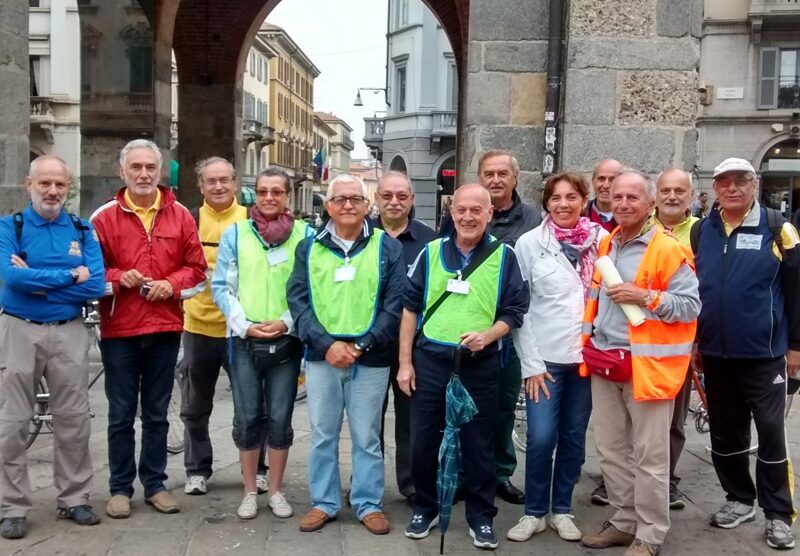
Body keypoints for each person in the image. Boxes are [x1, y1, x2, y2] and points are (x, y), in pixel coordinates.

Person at [399, 183, 530, 550]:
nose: (468, 217)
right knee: (424, 440)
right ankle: (426, 507)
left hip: (480, 363)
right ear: (451, 212)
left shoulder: (505, 256)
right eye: (461, 210)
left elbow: (515, 311)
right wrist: (405, 363)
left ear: (490, 213)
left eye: (477, 210)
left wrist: (489, 335)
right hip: (430, 362)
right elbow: (410, 309)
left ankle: (480, 515)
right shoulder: (430, 253)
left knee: (479, 444)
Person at [580, 170, 700, 556]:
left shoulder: (668, 249)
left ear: (650, 205)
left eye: (633, 198)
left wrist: (645, 297)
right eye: (617, 198)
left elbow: (691, 306)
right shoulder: (609, 244)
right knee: (611, 450)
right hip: (607, 362)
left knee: (650, 456)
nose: (624, 204)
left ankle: (650, 534)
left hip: (648, 368)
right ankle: (623, 521)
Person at [91, 139, 207, 519]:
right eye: (136, 167)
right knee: (121, 413)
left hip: (165, 326)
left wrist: (171, 284)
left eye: (150, 168)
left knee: (157, 413)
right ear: (121, 171)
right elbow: (91, 275)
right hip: (119, 329)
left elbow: (196, 268)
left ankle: (155, 484)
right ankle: (120, 488)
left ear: (160, 172)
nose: (143, 174)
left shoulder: (180, 216)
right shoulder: (103, 217)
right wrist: (118, 277)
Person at [287, 174, 405, 535]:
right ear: (328, 206)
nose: (348, 205)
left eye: (355, 199)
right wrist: (327, 345)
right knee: (322, 433)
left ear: (367, 205)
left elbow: (395, 302)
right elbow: (298, 301)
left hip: (369, 357)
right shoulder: (309, 247)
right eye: (340, 200)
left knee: (367, 435)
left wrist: (361, 344)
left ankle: (367, 503)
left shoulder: (386, 246)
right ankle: (324, 502)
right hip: (324, 356)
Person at [694, 157, 800, 550]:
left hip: (765, 354)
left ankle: (778, 515)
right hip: (716, 355)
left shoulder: (778, 227)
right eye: (724, 182)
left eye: (741, 180)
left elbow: (797, 292)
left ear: (754, 185)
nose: (732, 188)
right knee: (726, 432)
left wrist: (795, 348)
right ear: (716, 187)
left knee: (771, 434)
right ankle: (739, 499)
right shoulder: (702, 230)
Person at [0, 155, 106, 540]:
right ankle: (12, 506)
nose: (52, 191)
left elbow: (95, 285)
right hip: (18, 329)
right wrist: (66, 276)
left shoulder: (81, 229)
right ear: (29, 185)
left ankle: (74, 498)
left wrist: (35, 278)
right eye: (44, 183)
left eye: (59, 184)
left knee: (74, 420)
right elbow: (10, 279)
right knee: (11, 423)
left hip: (69, 330)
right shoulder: (8, 226)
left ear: (68, 187)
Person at [506, 172, 606, 543]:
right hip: (544, 362)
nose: (563, 204)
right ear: (546, 203)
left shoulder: (603, 242)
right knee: (542, 436)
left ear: (584, 200)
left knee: (574, 438)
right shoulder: (530, 244)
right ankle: (534, 512)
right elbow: (521, 309)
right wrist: (530, 365)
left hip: (586, 360)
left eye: (571, 197)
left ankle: (561, 509)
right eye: (555, 198)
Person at [441, 149, 541, 505]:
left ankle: (499, 473)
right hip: (464, 328)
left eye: (503, 173)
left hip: (507, 330)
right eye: (489, 173)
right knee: (461, 406)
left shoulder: (532, 219)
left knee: (500, 407)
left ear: (515, 179)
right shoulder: (460, 215)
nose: (496, 179)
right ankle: (464, 475)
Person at [212, 167, 312, 520]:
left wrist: (286, 321)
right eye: (264, 191)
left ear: (287, 196)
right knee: (248, 415)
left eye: (277, 192)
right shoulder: (235, 234)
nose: (270, 197)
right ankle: (250, 490)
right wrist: (246, 326)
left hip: (288, 337)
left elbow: (311, 286)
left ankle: (276, 490)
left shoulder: (306, 234)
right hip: (244, 339)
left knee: (281, 416)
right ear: (257, 194)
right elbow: (221, 286)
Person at [180, 157, 252, 496]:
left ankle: (257, 469)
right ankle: (197, 469)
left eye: (224, 180)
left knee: (252, 404)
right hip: (198, 324)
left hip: (241, 328)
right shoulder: (188, 220)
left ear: (235, 183)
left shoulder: (251, 219)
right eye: (211, 181)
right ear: (201, 186)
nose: (219, 186)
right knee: (195, 406)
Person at [372, 170, 436, 504]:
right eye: (387, 195)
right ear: (377, 198)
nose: (394, 202)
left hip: (414, 344)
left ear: (411, 199)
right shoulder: (361, 234)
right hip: (369, 343)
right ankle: (366, 482)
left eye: (401, 196)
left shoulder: (431, 240)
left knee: (412, 418)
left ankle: (411, 483)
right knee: (367, 418)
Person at [653, 168, 699, 510]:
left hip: (680, 341)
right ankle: (618, 483)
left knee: (674, 418)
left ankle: (666, 479)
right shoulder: (638, 226)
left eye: (679, 190)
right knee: (630, 419)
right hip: (636, 341)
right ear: (655, 195)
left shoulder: (702, 232)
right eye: (666, 189)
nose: (672, 196)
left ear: (691, 195)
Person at [584, 159, 624, 234]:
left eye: (612, 180)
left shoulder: (629, 218)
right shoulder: (579, 214)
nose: (606, 185)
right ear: (593, 182)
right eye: (601, 179)